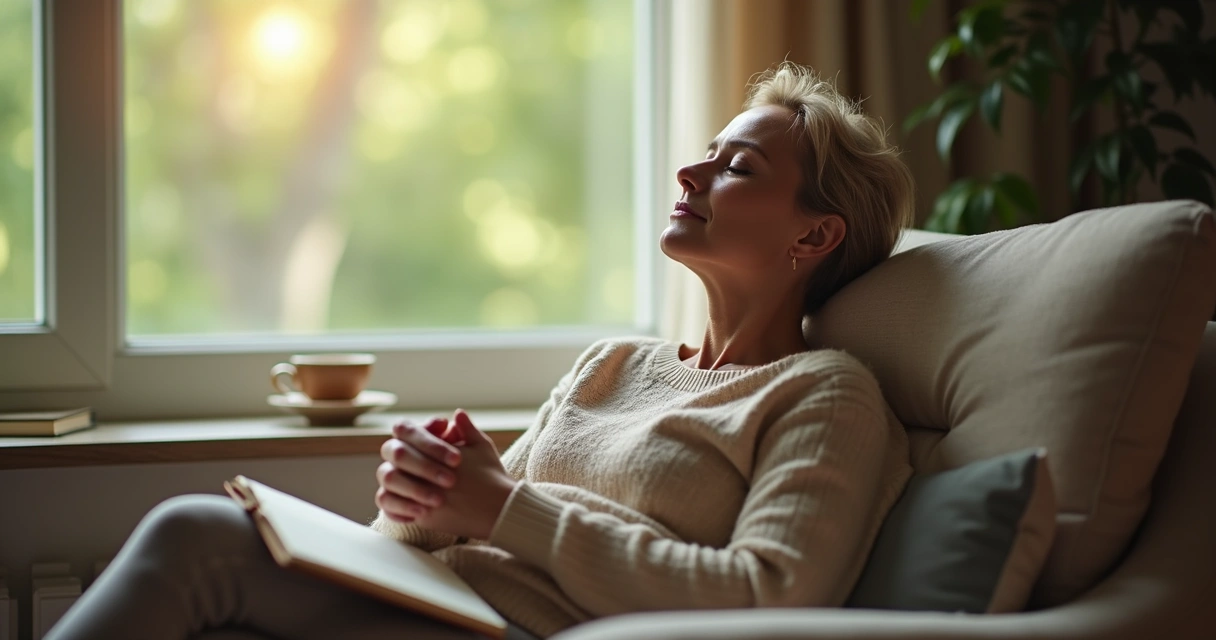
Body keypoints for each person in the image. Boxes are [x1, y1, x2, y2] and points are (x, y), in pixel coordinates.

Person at [47, 61, 916, 640]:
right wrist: (422, 497)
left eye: (737, 169)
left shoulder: (826, 395)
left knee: (195, 536)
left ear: (814, 236)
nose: (691, 174)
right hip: (444, 602)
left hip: (513, 633)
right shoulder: (612, 364)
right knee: (209, 545)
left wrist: (500, 508)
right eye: (705, 154)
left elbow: (767, 598)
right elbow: (459, 527)